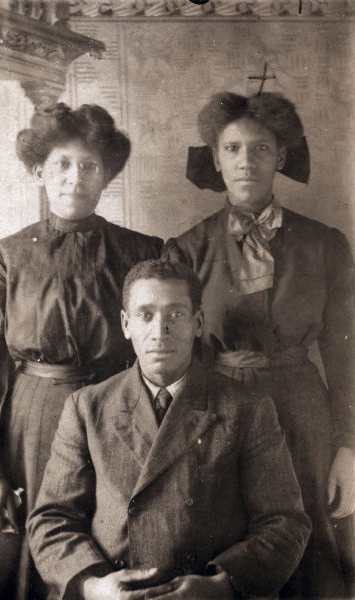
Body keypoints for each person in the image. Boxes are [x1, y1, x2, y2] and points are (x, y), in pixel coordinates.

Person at [162, 91, 355, 598]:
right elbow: (175, 350)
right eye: (233, 149)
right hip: (222, 411)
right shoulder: (187, 248)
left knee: (309, 547)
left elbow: (345, 351)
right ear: (217, 159)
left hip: (302, 408)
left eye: (261, 149)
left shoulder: (324, 243)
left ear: (281, 157)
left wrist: (348, 445)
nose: (246, 161)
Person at [28, 259, 311, 600]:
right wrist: (94, 587)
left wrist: (220, 586)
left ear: (198, 322)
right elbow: (51, 519)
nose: (160, 330)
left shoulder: (247, 407)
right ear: (126, 324)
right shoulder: (87, 407)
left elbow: (285, 522)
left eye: (175, 315)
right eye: (146, 315)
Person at [0, 103, 162, 600]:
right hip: (32, 423)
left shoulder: (141, 252)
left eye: (89, 166)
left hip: (118, 411)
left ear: (106, 177)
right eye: (61, 164)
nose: (74, 178)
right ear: (38, 171)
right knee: (30, 559)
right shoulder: (4, 259)